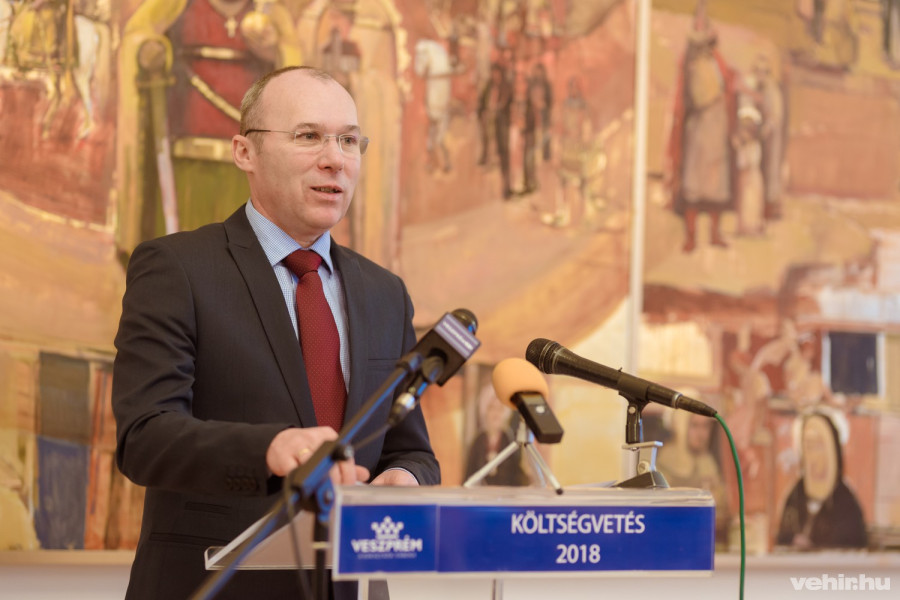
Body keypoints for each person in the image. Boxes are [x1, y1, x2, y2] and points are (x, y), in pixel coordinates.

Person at [112, 66, 440, 600]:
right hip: (214, 585)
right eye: (309, 136)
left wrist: (407, 479)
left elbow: (412, 450)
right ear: (245, 152)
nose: (335, 159)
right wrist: (270, 448)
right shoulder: (177, 268)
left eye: (349, 141)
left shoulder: (385, 293)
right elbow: (144, 438)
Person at [776, 410, 867, 550]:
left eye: (818, 445)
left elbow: (851, 547)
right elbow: (781, 538)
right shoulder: (795, 496)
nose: (812, 454)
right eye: (808, 445)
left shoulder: (846, 504)